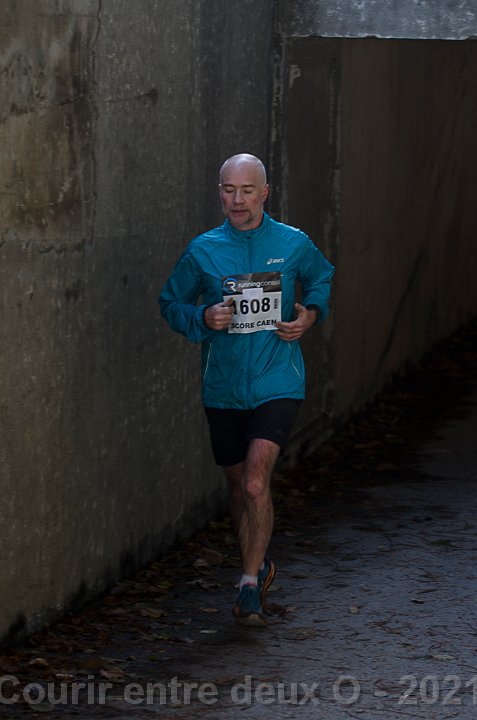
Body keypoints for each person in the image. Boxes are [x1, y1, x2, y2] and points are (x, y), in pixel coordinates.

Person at [159, 153, 334, 625]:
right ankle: (254, 564)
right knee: (239, 487)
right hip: (223, 387)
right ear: (220, 192)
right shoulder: (203, 250)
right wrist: (202, 315)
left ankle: (250, 585)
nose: (237, 200)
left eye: (247, 190)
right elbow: (170, 302)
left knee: (256, 482)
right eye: (228, 190)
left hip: (278, 380)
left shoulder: (292, 243)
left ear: (265, 193)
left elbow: (321, 276)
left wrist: (310, 314)